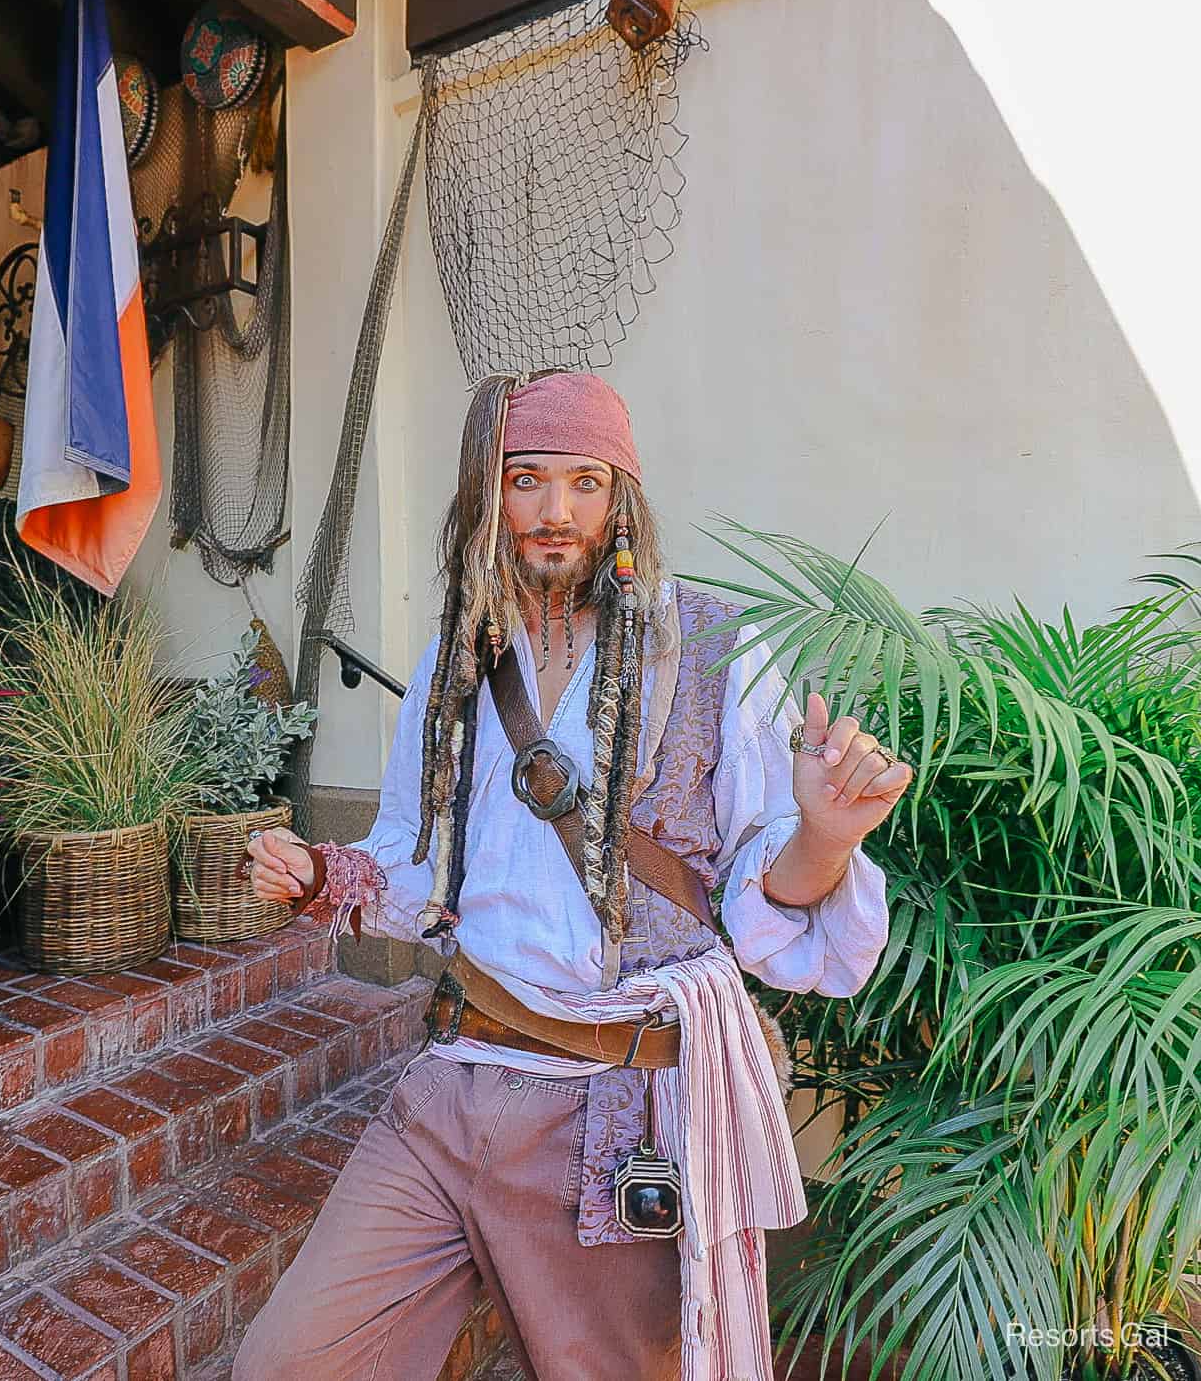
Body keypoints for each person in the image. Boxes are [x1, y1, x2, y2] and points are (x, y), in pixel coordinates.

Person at [235, 371, 911, 1381]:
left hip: (613, 1111)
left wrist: (823, 836)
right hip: (451, 1080)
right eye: (526, 478)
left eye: (586, 482)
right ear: (487, 496)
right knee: (291, 1363)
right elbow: (414, 860)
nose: (557, 512)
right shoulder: (456, 659)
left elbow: (763, 905)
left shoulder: (716, 649)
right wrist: (318, 872)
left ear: (623, 496)